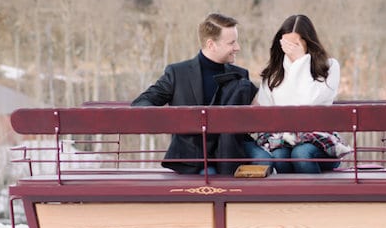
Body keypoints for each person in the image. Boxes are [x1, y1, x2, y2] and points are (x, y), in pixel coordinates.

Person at [132, 13, 256, 175]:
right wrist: (175, 119)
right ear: (211, 44)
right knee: (210, 176)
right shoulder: (177, 73)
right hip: (193, 158)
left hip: (231, 154)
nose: (237, 47)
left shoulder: (241, 75)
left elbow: (256, 114)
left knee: (269, 160)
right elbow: (142, 103)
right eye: (232, 43)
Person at [245, 14, 350, 174]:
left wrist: (300, 62)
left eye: (295, 44)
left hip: (318, 140)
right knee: (280, 156)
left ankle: (315, 198)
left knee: (301, 154)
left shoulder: (328, 67)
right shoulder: (273, 73)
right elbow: (266, 111)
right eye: (286, 44)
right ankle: (288, 198)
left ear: (308, 43)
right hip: (282, 138)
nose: (290, 49)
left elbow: (310, 100)